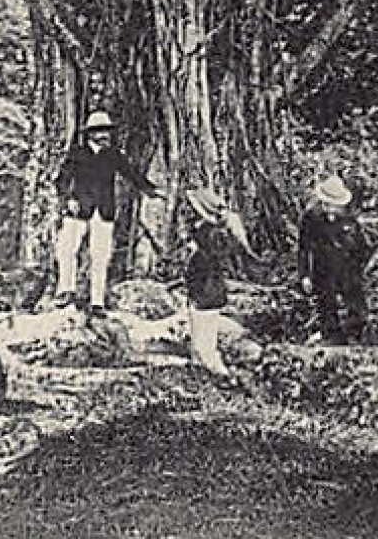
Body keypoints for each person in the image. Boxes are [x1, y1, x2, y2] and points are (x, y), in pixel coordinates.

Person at [53, 110, 163, 315]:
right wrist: (68, 199)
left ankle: (97, 302)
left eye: (107, 131)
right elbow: (62, 180)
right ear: (90, 134)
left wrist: (151, 190)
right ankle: (65, 291)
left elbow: (131, 174)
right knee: (66, 249)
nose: (104, 136)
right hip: (79, 209)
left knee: (101, 256)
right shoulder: (77, 153)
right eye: (99, 131)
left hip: (104, 210)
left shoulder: (113, 155)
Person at [181, 186, 254, 375]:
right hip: (203, 285)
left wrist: (195, 249)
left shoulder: (212, 232)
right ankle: (205, 368)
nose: (188, 211)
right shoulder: (204, 229)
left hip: (207, 286)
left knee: (205, 336)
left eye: (192, 207)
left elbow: (210, 258)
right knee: (200, 334)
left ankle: (217, 371)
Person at [297, 175, 369, 344]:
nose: (330, 209)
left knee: (354, 299)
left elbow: (360, 247)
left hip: (347, 267)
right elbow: (303, 248)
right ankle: (330, 334)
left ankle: (355, 334)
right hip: (322, 266)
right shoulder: (311, 218)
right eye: (326, 204)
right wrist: (304, 275)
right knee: (325, 302)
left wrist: (357, 267)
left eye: (333, 205)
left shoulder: (349, 221)